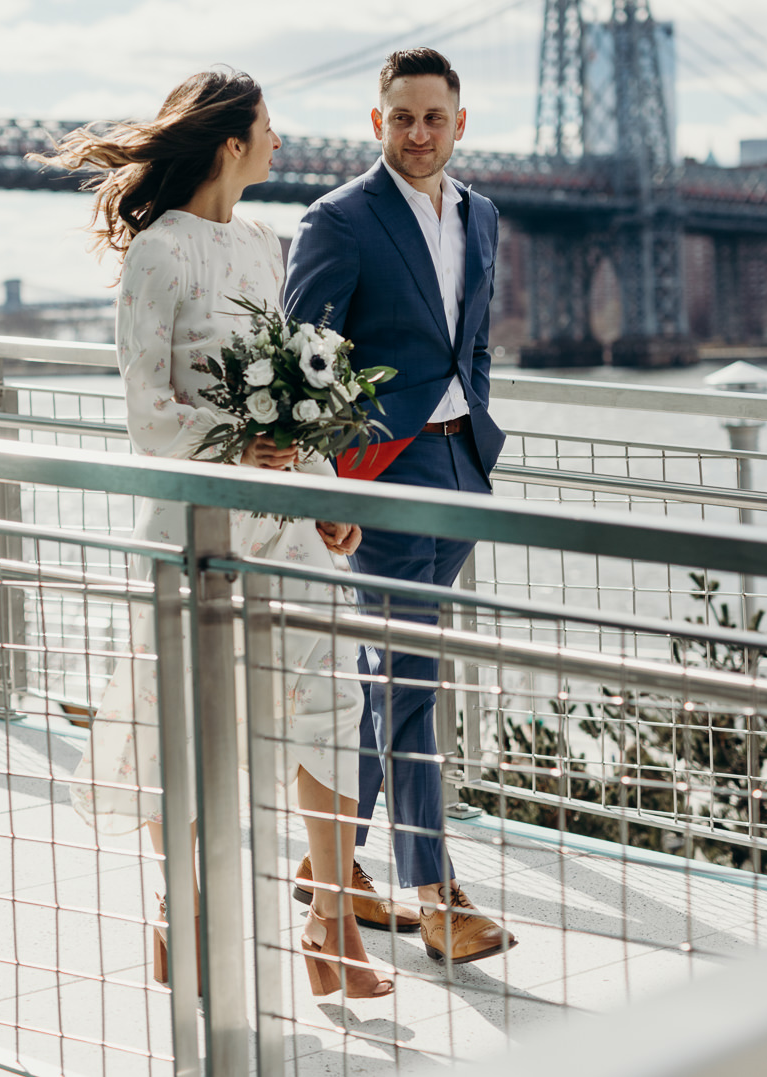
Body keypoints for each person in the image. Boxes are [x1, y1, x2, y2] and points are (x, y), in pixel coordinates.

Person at [48, 67, 392, 1000]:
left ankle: (329, 918)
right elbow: (147, 411)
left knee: (333, 702)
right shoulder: (159, 253)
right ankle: (180, 905)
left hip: (287, 523)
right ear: (232, 141)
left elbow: (296, 389)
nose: (282, 143)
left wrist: (329, 495)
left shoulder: (263, 243)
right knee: (186, 721)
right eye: (270, 128)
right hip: (198, 521)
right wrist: (240, 448)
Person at [282, 47, 516, 966]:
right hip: (386, 470)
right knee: (412, 672)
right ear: (376, 122)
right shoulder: (339, 219)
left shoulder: (483, 215)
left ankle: (331, 868)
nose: (419, 133)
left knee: (395, 674)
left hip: (464, 465)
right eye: (402, 117)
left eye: (436, 117)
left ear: (461, 123)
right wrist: (335, 477)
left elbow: (477, 341)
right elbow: (306, 356)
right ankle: (436, 895)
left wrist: (479, 425)